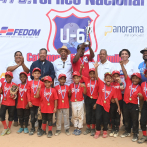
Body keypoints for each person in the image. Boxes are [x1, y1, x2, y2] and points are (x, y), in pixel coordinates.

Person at [94, 63, 120, 139]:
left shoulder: (113, 89)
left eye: (110, 78)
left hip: (107, 106)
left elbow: (115, 98)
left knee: (106, 118)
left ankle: (105, 130)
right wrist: (96, 68)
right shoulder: (101, 84)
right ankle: (98, 130)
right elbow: (96, 76)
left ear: (112, 80)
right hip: (99, 104)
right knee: (98, 118)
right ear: (104, 79)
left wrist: (118, 107)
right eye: (106, 78)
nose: (108, 79)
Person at [119, 61, 143, 142]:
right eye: (133, 78)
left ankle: (135, 134)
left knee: (135, 120)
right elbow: (125, 73)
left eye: (136, 78)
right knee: (126, 118)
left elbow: (143, 97)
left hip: (134, 105)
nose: (134, 79)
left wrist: (141, 95)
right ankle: (127, 131)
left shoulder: (140, 87)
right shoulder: (128, 82)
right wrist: (122, 65)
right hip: (126, 104)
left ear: (139, 80)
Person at [6, 51, 29, 126]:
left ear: (22, 56)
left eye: (20, 55)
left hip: (23, 87)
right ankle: (15, 120)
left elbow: (27, 71)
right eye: (17, 55)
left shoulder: (24, 64)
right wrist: (18, 64)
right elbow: (8, 69)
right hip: (14, 87)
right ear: (14, 57)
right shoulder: (11, 63)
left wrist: (22, 64)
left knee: (24, 103)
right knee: (15, 104)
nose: (18, 56)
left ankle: (25, 121)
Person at [118, 49, 139, 129]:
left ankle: (131, 125)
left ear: (128, 55)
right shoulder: (118, 64)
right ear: (120, 56)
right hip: (120, 90)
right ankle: (125, 124)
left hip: (130, 91)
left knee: (130, 108)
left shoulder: (132, 64)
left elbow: (136, 77)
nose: (124, 55)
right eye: (122, 54)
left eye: (126, 54)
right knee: (123, 108)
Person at [53, 46, 73, 126]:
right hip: (58, 85)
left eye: (65, 51)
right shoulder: (55, 62)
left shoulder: (70, 62)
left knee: (69, 103)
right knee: (56, 102)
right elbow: (54, 73)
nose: (63, 52)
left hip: (68, 85)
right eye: (62, 51)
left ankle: (69, 119)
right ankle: (56, 120)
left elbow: (72, 72)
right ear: (60, 53)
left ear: (67, 53)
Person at [79, 65, 98, 136]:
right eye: (91, 74)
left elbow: (99, 93)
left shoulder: (98, 81)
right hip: (88, 98)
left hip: (95, 99)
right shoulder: (86, 79)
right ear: (89, 74)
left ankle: (93, 128)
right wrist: (81, 68)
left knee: (94, 114)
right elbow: (79, 75)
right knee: (88, 113)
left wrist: (96, 102)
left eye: (94, 74)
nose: (92, 75)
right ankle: (88, 128)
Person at [27, 67, 44, 136]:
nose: (36, 74)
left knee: (39, 116)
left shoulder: (42, 83)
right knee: (32, 116)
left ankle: (39, 128)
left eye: (38, 73)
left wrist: (42, 103)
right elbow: (28, 92)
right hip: (32, 103)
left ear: (40, 74)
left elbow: (43, 94)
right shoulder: (30, 83)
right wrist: (29, 101)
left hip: (39, 103)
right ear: (32, 74)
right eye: (35, 73)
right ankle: (33, 128)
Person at [0, 71, 17, 136]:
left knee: (11, 116)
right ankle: (5, 127)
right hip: (4, 102)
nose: (8, 78)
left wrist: (14, 96)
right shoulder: (3, 84)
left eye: (9, 77)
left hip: (11, 103)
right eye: (6, 77)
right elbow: (2, 92)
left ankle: (9, 128)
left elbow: (16, 95)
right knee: (1, 115)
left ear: (12, 77)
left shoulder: (14, 85)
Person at [69, 71, 86, 136]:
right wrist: (70, 92)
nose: (76, 79)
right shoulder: (71, 85)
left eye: (77, 78)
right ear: (73, 79)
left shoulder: (81, 85)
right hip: (73, 101)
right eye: (75, 78)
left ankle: (79, 128)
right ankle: (75, 127)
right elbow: (70, 94)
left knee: (80, 115)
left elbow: (84, 93)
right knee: (74, 115)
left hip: (80, 101)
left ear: (79, 78)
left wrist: (84, 87)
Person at [109, 70, 124, 137]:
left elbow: (122, 88)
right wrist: (111, 99)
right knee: (112, 116)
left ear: (119, 76)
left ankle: (117, 130)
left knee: (118, 116)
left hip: (119, 101)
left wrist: (120, 82)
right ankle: (113, 129)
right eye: (114, 76)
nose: (115, 77)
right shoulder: (111, 84)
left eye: (117, 76)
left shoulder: (120, 83)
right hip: (112, 102)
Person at [138, 69, 147, 143]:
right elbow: (141, 97)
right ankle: (144, 136)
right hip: (145, 104)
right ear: (145, 75)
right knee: (142, 121)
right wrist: (140, 96)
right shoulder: (143, 84)